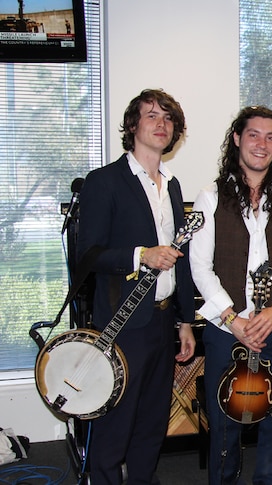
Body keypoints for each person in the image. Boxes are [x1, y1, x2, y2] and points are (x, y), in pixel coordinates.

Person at [190, 106, 272, 485]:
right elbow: (200, 267)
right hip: (226, 329)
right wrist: (234, 320)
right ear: (236, 140)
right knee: (225, 422)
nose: (262, 144)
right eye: (253, 135)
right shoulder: (210, 197)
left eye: (270, 137)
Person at [76, 88, 196, 484]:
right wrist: (140, 255)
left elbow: (180, 260)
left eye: (168, 118)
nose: (161, 125)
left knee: (151, 421)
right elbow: (88, 255)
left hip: (162, 324)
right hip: (123, 324)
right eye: (151, 116)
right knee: (116, 422)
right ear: (132, 125)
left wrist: (184, 321)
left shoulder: (173, 186)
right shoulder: (104, 181)